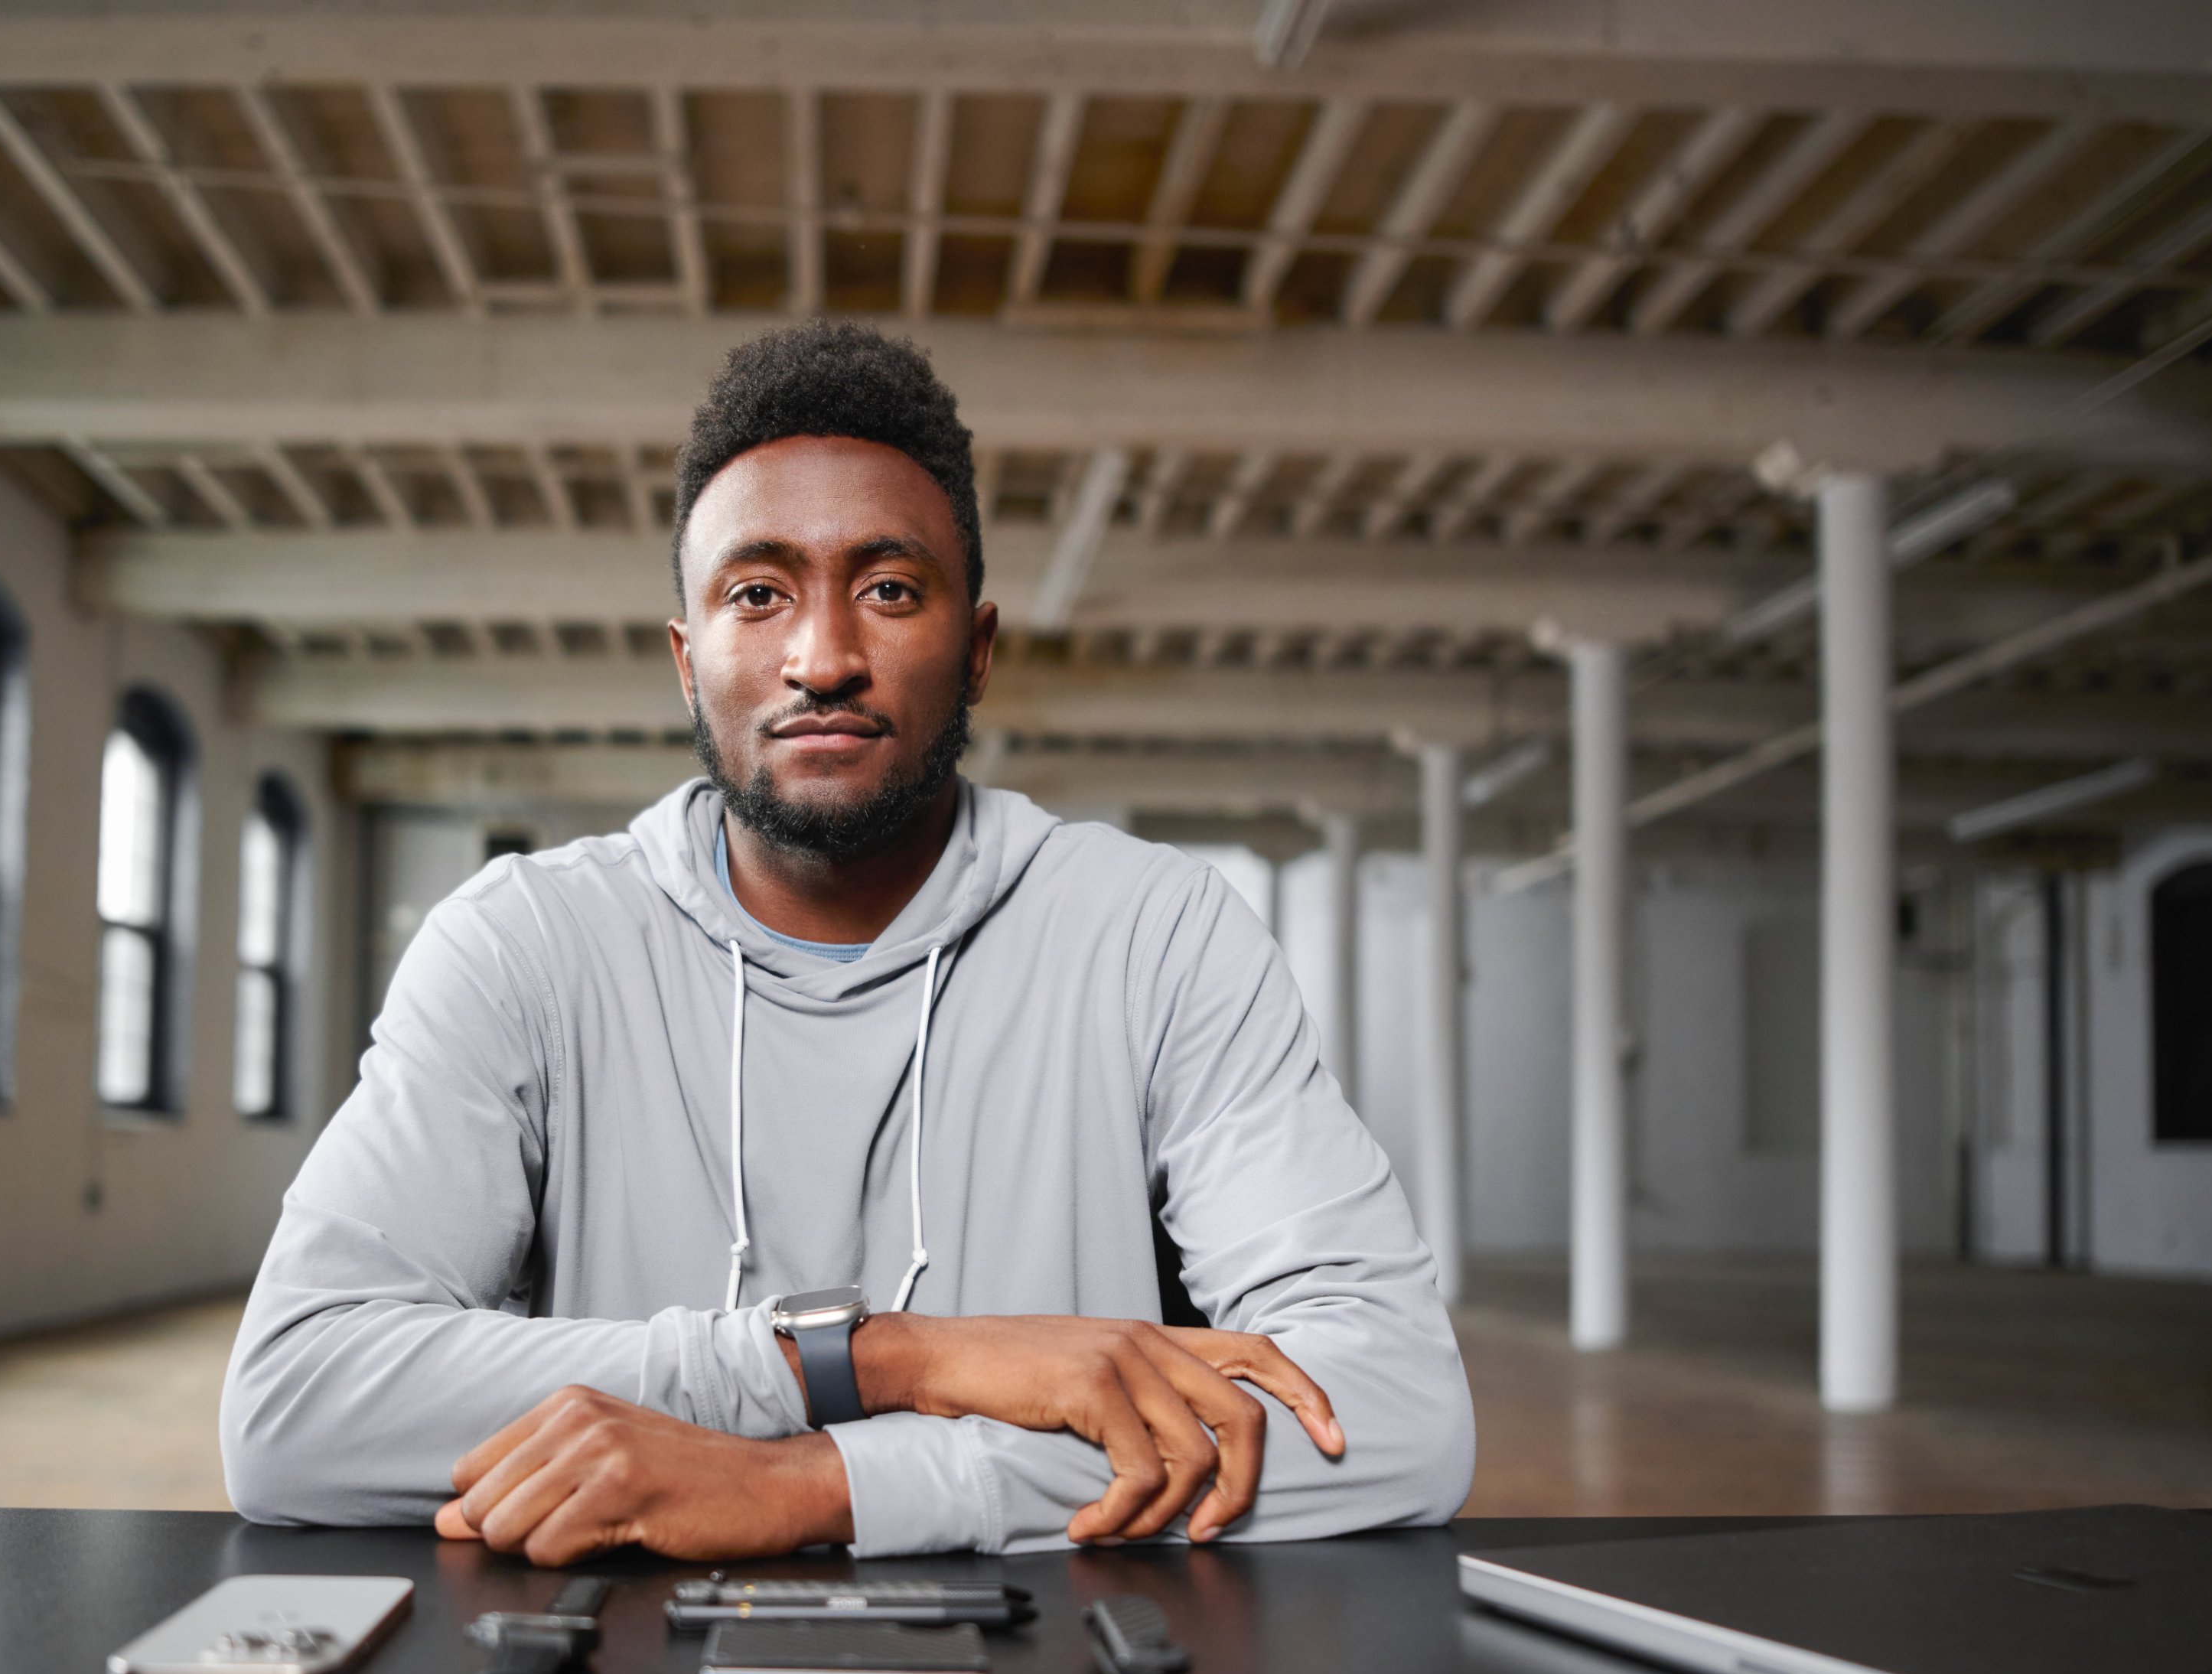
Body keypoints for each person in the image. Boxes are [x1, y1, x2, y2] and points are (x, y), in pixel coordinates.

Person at [223, 321, 1472, 1565]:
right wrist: (884, 1359)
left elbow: (1398, 1409)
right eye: (756, 595)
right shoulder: (523, 946)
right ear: (686, 661)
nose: (822, 659)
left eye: (889, 591)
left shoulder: (1158, 933)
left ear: (976, 652)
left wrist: (821, 1483)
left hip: (1058, 1669)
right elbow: (294, 1404)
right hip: (623, 1665)